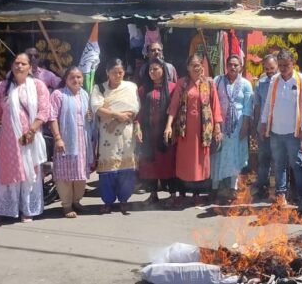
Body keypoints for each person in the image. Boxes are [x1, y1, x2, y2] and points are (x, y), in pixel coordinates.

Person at [0, 53, 50, 226]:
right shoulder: (2, 86)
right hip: (7, 139)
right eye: (16, 63)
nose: (19, 66)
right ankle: (2, 210)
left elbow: (44, 111)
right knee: (6, 173)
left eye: (23, 63)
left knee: (29, 174)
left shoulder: (38, 86)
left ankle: (27, 210)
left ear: (30, 67)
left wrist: (31, 131)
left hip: (30, 138)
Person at [165, 54, 223, 205]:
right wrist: (168, 126)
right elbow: (174, 106)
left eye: (199, 65)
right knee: (184, 162)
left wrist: (217, 127)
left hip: (203, 130)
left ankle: (197, 193)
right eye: (194, 65)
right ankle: (183, 193)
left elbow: (215, 107)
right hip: (185, 130)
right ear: (188, 67)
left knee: (200, 162)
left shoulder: (209, 83)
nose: (197, 68)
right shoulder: (182, 83)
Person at [260, 49, 302, 212]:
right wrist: (263, 122)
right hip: (276, 131)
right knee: (279, 165)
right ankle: (280, 196)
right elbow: (268, 103)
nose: (282, 68)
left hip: (293, 132)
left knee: (297, 165)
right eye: (280, 65)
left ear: (293, 64)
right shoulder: (274, 80)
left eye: (286, 65)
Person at [91, 59, 140, 215]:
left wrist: (115, 118)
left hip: (126, 134)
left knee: (126, 170)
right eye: (114, 72)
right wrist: (117, 115)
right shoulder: (99, 88)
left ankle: (124, 200)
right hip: (107, 136)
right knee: (108, 170)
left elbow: (134, 109)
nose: (118, 75)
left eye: (120, 72)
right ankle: (108, 201)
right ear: (107, 73)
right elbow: (97, 108)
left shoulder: (131, 87)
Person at [136, 58, 181, 207]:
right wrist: (138, 127)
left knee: (169, 163)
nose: (152, 72)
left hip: (166, 132)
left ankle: (173, 195)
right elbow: (139, 111)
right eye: (150, 70)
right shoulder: (144, 90)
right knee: (150, 164)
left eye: (156, 69)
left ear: (163, 69)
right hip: (149, 133)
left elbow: (176, 110)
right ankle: (153, 194)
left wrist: (173, 128)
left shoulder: (173, 87)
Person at [49, 67, 92, 219]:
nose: (76, 80)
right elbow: (52, 117)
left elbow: (89, 118)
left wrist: (90, 116)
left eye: (79, 77)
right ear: (66, 79)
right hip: (66, 140)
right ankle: (66, 205)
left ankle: (77, 201)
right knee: (65, 174)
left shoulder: (85, 95)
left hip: (82, 139)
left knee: (80, 174)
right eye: (72, 77)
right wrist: (58, 138)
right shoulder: (58, 94)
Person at [212, 55, 253, 202]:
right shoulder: (218, 81)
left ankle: (233, 188)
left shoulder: (246, 84)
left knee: (236, 157)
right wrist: (215, 126)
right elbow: (214, 102)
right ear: (226, 66)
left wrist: (245, 126)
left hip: (238, 126)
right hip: (221, 125)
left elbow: (248, 107)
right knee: (219, 155)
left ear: (241, 67)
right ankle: (218, 188)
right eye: (230, 64)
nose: (233, 67)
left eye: (236, 65)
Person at [252, 54, 279, 200]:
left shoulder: (282, 82)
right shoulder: (260, 84)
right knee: (263, 159)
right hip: (263, 128)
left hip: (279, 129)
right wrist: (256, 126)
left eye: (272, 68)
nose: (269, 71)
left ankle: (277, 191)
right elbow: (257, 107)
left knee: (278, 160)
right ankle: (262, 187)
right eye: (267, 68)